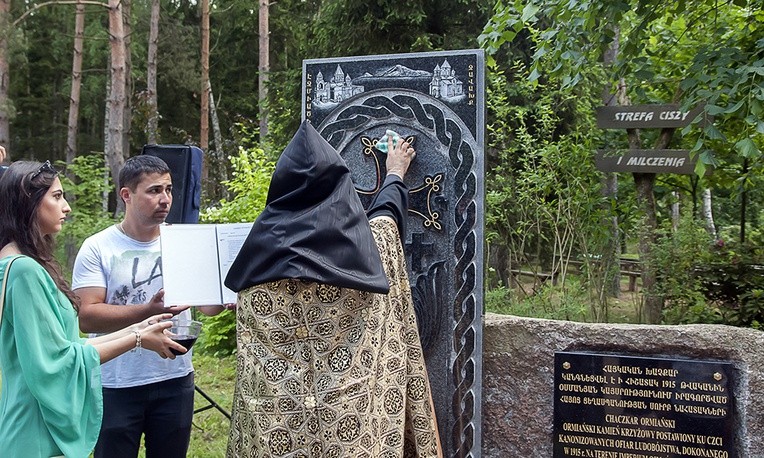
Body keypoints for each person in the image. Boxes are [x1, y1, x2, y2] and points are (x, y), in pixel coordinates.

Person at [224, 121, 443, 457]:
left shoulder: (254, 272)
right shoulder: (368, 255)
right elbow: (385, 218)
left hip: (280, 428)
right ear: (339, 189)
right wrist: (395, 173)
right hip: (350, 427)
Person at [0, 160, 186, 458]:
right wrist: (138, 339)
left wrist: (138, 329)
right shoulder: (23, 271)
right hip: (33, 429)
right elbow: (56, 363)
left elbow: (69, 346)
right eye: (57, 196)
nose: (67, 207)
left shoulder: (21, 263)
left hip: (31, 420)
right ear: (29, 202)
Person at [71, 155, 225, 458]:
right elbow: (88, 317)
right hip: (115, 382)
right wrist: (147, 310)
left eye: (168, 189)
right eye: (154, 191)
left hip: (175, 378)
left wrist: (224, 295)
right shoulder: (99, 247)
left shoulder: (182, 241)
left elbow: (208, 308)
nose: (165, 199)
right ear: (127, 195)